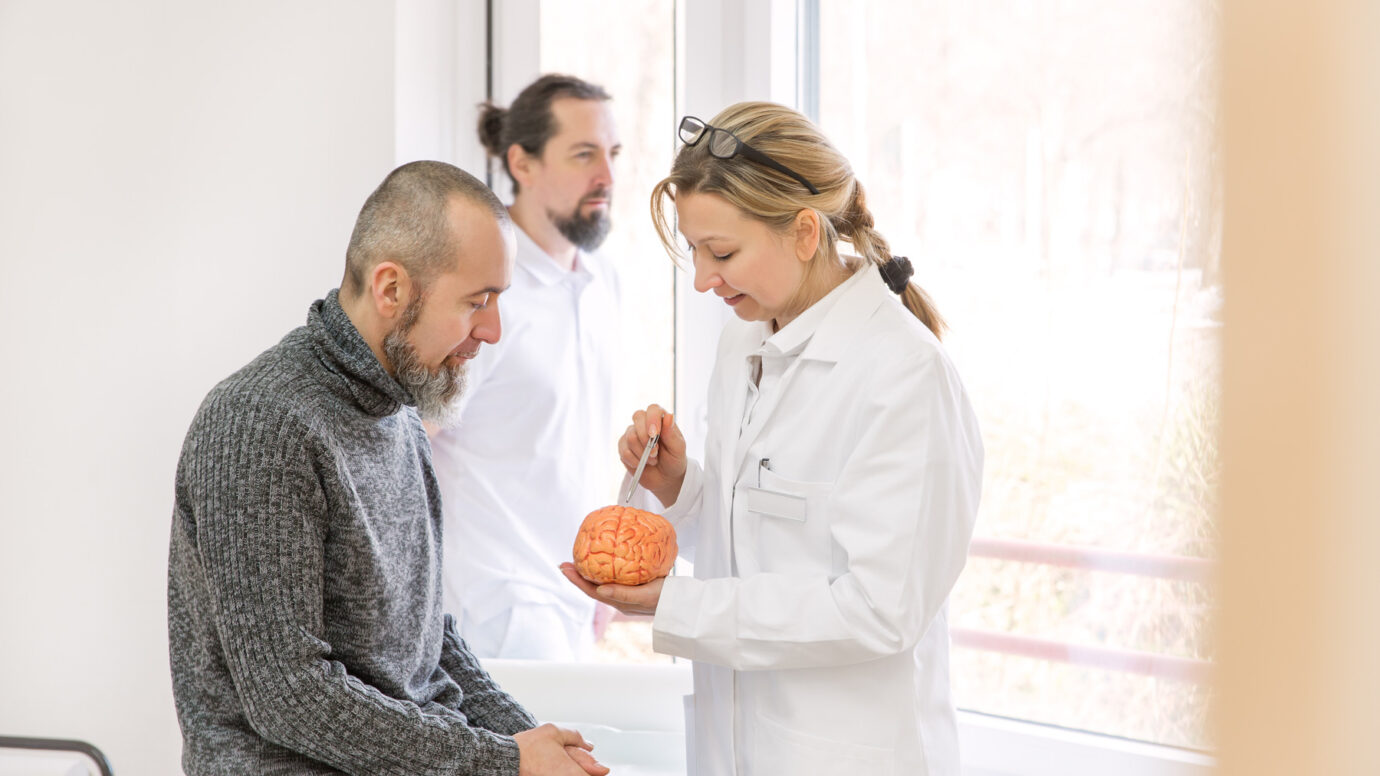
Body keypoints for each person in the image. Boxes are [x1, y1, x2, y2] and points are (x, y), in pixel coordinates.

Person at [561, 103, 984, 775]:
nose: (702, 279)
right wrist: (683, 488)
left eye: (722, 253)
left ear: (805, 233)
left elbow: (881, 609)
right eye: (695, 251)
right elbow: (764, 540)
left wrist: (678, 605)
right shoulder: (744, 343)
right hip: (736, 749)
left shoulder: (904, 375)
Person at [167, 161, 607, 776]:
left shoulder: (402, 414)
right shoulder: (260, 421)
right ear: (391, 288)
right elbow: (291, 698)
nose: (493, 330)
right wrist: (504, 761)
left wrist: (530, 739)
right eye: (477, 302)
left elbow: (429, 643)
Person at [428, 74, 623, 660]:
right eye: (583, 154)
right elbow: (405, 438)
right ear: (522, 163)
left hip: (575, 603)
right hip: (495, 608)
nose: (607, 177)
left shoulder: (604, 282)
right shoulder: (481, 287)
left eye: (612, 154)